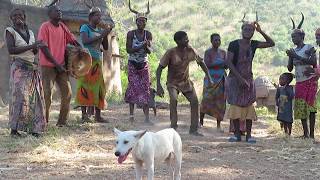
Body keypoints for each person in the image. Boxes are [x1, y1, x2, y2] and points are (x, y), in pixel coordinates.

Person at [226, 14, 275, 143]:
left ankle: (249, 135)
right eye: (246, 29)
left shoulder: (254, 44)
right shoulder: (233, 44)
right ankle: (237, 135)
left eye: (251, 30)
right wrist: (239, 79)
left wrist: (261, 30)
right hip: (235, 79)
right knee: (236, 107)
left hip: (248, 78)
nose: (248, 32)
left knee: (248, 106)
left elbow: (271, 43)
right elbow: (229, 62)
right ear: (241, 30)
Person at [156, 31, 214, 136]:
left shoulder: (190, 50)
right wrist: (158, 85)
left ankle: (193, 129)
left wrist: (209, 77)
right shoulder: (171, 52)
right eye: (185, 39)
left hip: (185, 82)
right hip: (172, 83)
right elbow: (159, 68)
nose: (187, 40)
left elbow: (201, 63)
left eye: (187, 38)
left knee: (195, 102)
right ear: (178, 41)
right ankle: (173, 127)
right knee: (173, 100)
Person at [5, 8, 47, 137]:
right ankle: (14, 130)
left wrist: (38, 47)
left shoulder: (30, 32)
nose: (18, 17)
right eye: (15, 15)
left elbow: (33, 52)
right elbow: (11, 50)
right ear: (11, 18)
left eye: (20, 15)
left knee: (35, 98)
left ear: (24, 17)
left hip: (32, 67)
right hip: (19, 67)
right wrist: (32, 46)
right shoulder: (10, 31)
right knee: (19, 98)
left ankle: (34, 129)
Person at [38, 5, 79, 127]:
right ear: (50, 14)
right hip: (48, 65)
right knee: (47, 94)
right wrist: (56, 64)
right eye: (56, 11)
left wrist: (80, 48)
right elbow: (43, 47)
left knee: (68, 93)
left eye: (60, 10)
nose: (60, 12)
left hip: (61, 65)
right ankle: (43, 122)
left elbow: (72, 40)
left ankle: (62, 122)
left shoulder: (62, 27)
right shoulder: (45, 27)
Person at [75, 7, 112, 123]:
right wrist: (101, 35)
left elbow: (105, 47)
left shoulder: (100, 30)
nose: (99, 18)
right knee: (84, 86)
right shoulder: (85, 27)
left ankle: (98, 116)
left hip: (97, 61)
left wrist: (105, 34)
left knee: (99, 87)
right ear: (91, 17)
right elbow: (85, 41)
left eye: (100, 16)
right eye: (97, 16)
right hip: (86, 60)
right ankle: (84, 115)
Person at [287, 13, 318, 139]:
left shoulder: (309, 47)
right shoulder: (293, 51)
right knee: (301, 107)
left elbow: (313, 62)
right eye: (292, 36)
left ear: (302, 36)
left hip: (310, 80)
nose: (293, 38)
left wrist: (296, 56)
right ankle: (305, 133)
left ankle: (311, 135)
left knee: (310, 107)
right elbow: (290, 68)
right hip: (299, 81)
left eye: (295, 36)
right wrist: (290, 56)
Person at [124, 0, 153, 123]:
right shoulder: (131, 33)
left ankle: (147, 118)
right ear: (136, 22)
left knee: (146, 89)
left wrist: (146, 46)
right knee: (133, 88)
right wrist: (142, 45)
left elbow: (150, 51)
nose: (142, 22)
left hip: (144, 65)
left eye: (144, 21)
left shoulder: (148, 34)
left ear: (146, 22)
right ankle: (131, 116)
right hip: (133, 65)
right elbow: (129, 50)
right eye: (140, 21)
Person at [199, 33, 226, 131]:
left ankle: (218, 125)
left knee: (220, 102)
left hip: (221, 79)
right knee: (206, 100)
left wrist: (222, 64)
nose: (217, 42)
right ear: (211, 41)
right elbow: (207, 64)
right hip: (210, 79)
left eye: (219, 40)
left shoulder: (223, 52)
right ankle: (201, 122)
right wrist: (221, 64)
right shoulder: (208, 52)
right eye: (215, 40)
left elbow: (227, 65)